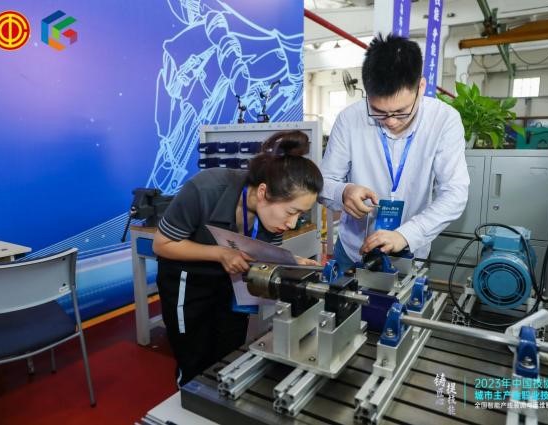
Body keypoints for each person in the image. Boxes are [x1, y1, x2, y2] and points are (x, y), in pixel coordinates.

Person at [153, 130, 323, 386]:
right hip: (188, 284)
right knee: (193, 359)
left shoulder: (273, 217)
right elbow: (162, 244)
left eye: (300, 215)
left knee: (228, 355)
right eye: (291, 212)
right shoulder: (206, 188)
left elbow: (262, 253)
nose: (292, 223)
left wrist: (291, 262)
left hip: (232, 285)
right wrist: (219, 253)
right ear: (263, 192)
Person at [319, 34, 470, 273]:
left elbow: (455, 193)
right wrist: (343, 191)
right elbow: (323, 182)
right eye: (378, 111)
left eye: (401, 112)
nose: (390, 121)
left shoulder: (444, 121)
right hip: (353, 249)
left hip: (409, 253)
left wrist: (407, 234)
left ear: (421, 87)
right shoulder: (349, 119)